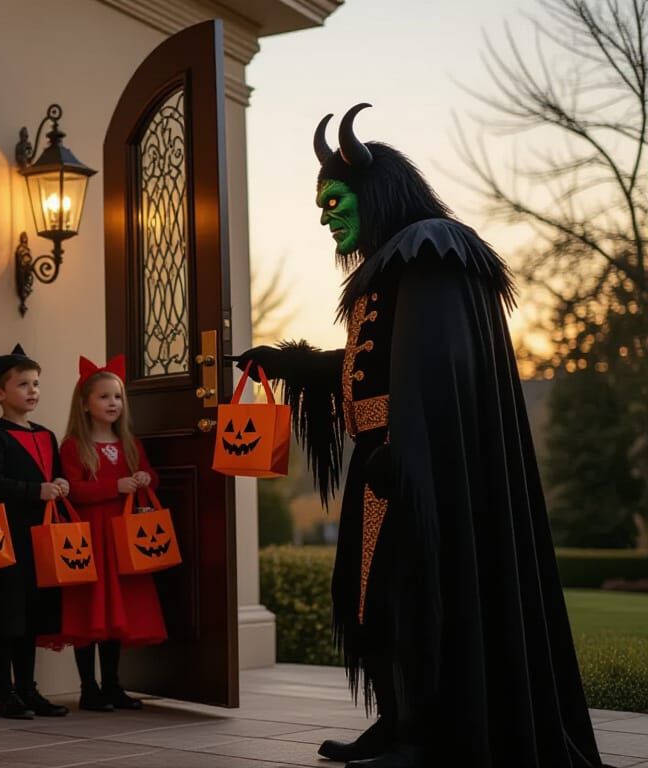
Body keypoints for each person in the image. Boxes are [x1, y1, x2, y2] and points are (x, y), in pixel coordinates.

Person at [233, 103, 601, 768]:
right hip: (387, 465)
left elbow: (433, 368)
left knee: (416, 595)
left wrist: (411, 452)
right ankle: (399, 723)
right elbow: (364, 370)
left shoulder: (433, 252)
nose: (325, 215)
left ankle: (427, 738)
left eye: (335, 199)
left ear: (375, 192)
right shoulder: (393, 266)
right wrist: (285, 361)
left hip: (421, 469)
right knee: (377, 601)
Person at [52, 354, 166, 712]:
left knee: (117, 612)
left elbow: (150, 474)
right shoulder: (73, 445)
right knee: (90, 611)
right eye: (103, 397)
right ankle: (88, 688)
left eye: (117, 397)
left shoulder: (129, 442)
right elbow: (74, 490)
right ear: (85, 404)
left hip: (123, 538)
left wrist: (146, 479)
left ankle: (113, 684)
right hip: (91, 535)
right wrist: (115, 485)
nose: (112, 403)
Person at [0, 344, 71, 720]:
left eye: (36, 384)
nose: (33, 391)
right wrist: (35, 491)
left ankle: (29, 689)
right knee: (6, 615)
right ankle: (5, 692)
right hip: (6, 536)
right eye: (23, 384)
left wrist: (60, 485)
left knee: (31, 615)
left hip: (40, 537)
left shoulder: (46, 435)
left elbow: (56, 473)